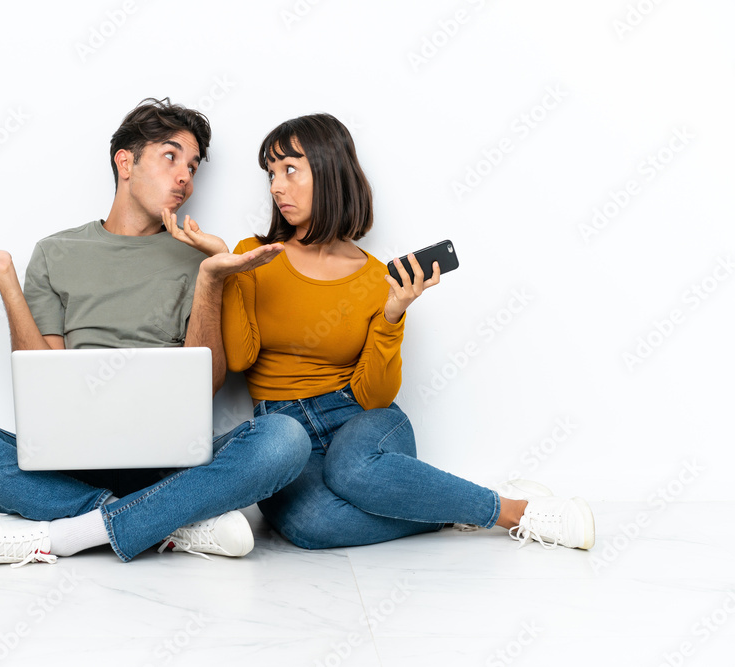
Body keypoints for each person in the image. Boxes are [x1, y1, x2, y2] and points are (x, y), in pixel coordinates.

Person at [0, 98, 312, 568]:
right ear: (126, 161)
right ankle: (169, 523)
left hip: (170, 465)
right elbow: (43, 380)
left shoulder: (197, 258)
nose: (185, 175)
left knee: (285, 437)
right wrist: (5, 279)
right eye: (170, 156)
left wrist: (210, 279)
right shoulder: (57, 252)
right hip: (71, 463)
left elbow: (208, 384)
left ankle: (67, 534)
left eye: (192, 166)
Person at [171, 113, 595, 551]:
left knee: (351, 470)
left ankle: (516, 511)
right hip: (285, 433)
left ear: (330, 171)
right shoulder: (252, 256)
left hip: (360, 420)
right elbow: (241, 358)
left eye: (291, 169)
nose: (277, 186)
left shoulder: (377, 278)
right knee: (314, 526)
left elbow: (374, 396)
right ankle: (448, 506)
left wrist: (393, 315)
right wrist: (228, 269)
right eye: (272, 174)